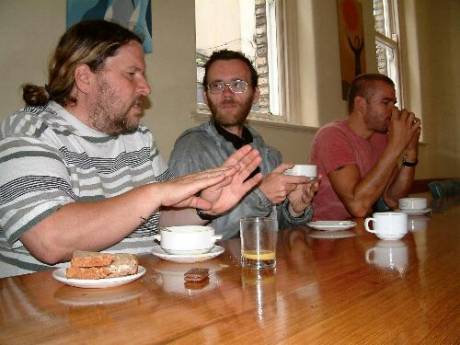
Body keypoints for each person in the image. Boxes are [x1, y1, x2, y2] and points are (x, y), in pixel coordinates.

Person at [0, 21, 263, 277]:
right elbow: (50, 240)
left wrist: (204, 206)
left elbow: (161, 220)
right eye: (131, 74)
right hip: (48, 313)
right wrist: (155, 193)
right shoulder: (29, 129)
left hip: (138, 302)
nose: (146, 87)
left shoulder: (139, 139)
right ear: (84, 78)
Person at [169, 49, 319, 239]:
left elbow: (273, 231)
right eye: (217, 85)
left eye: (238, 84)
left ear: (255, 94)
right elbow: (184, 235)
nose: (227, 94)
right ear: (206, 97)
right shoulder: (191, 149)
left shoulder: (270, 155)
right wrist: (261, 196)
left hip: (263, 262)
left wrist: (294, 210)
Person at [310, 73, 421, 220]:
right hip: (324, 234)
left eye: (393, 103)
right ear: (360, 104)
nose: (393, 111)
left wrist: (410, 152)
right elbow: (358, 207)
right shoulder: (331, 136)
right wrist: (396, 145)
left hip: (360, 230)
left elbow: (393, 198)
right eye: (385, 103)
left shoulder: (381, 139)